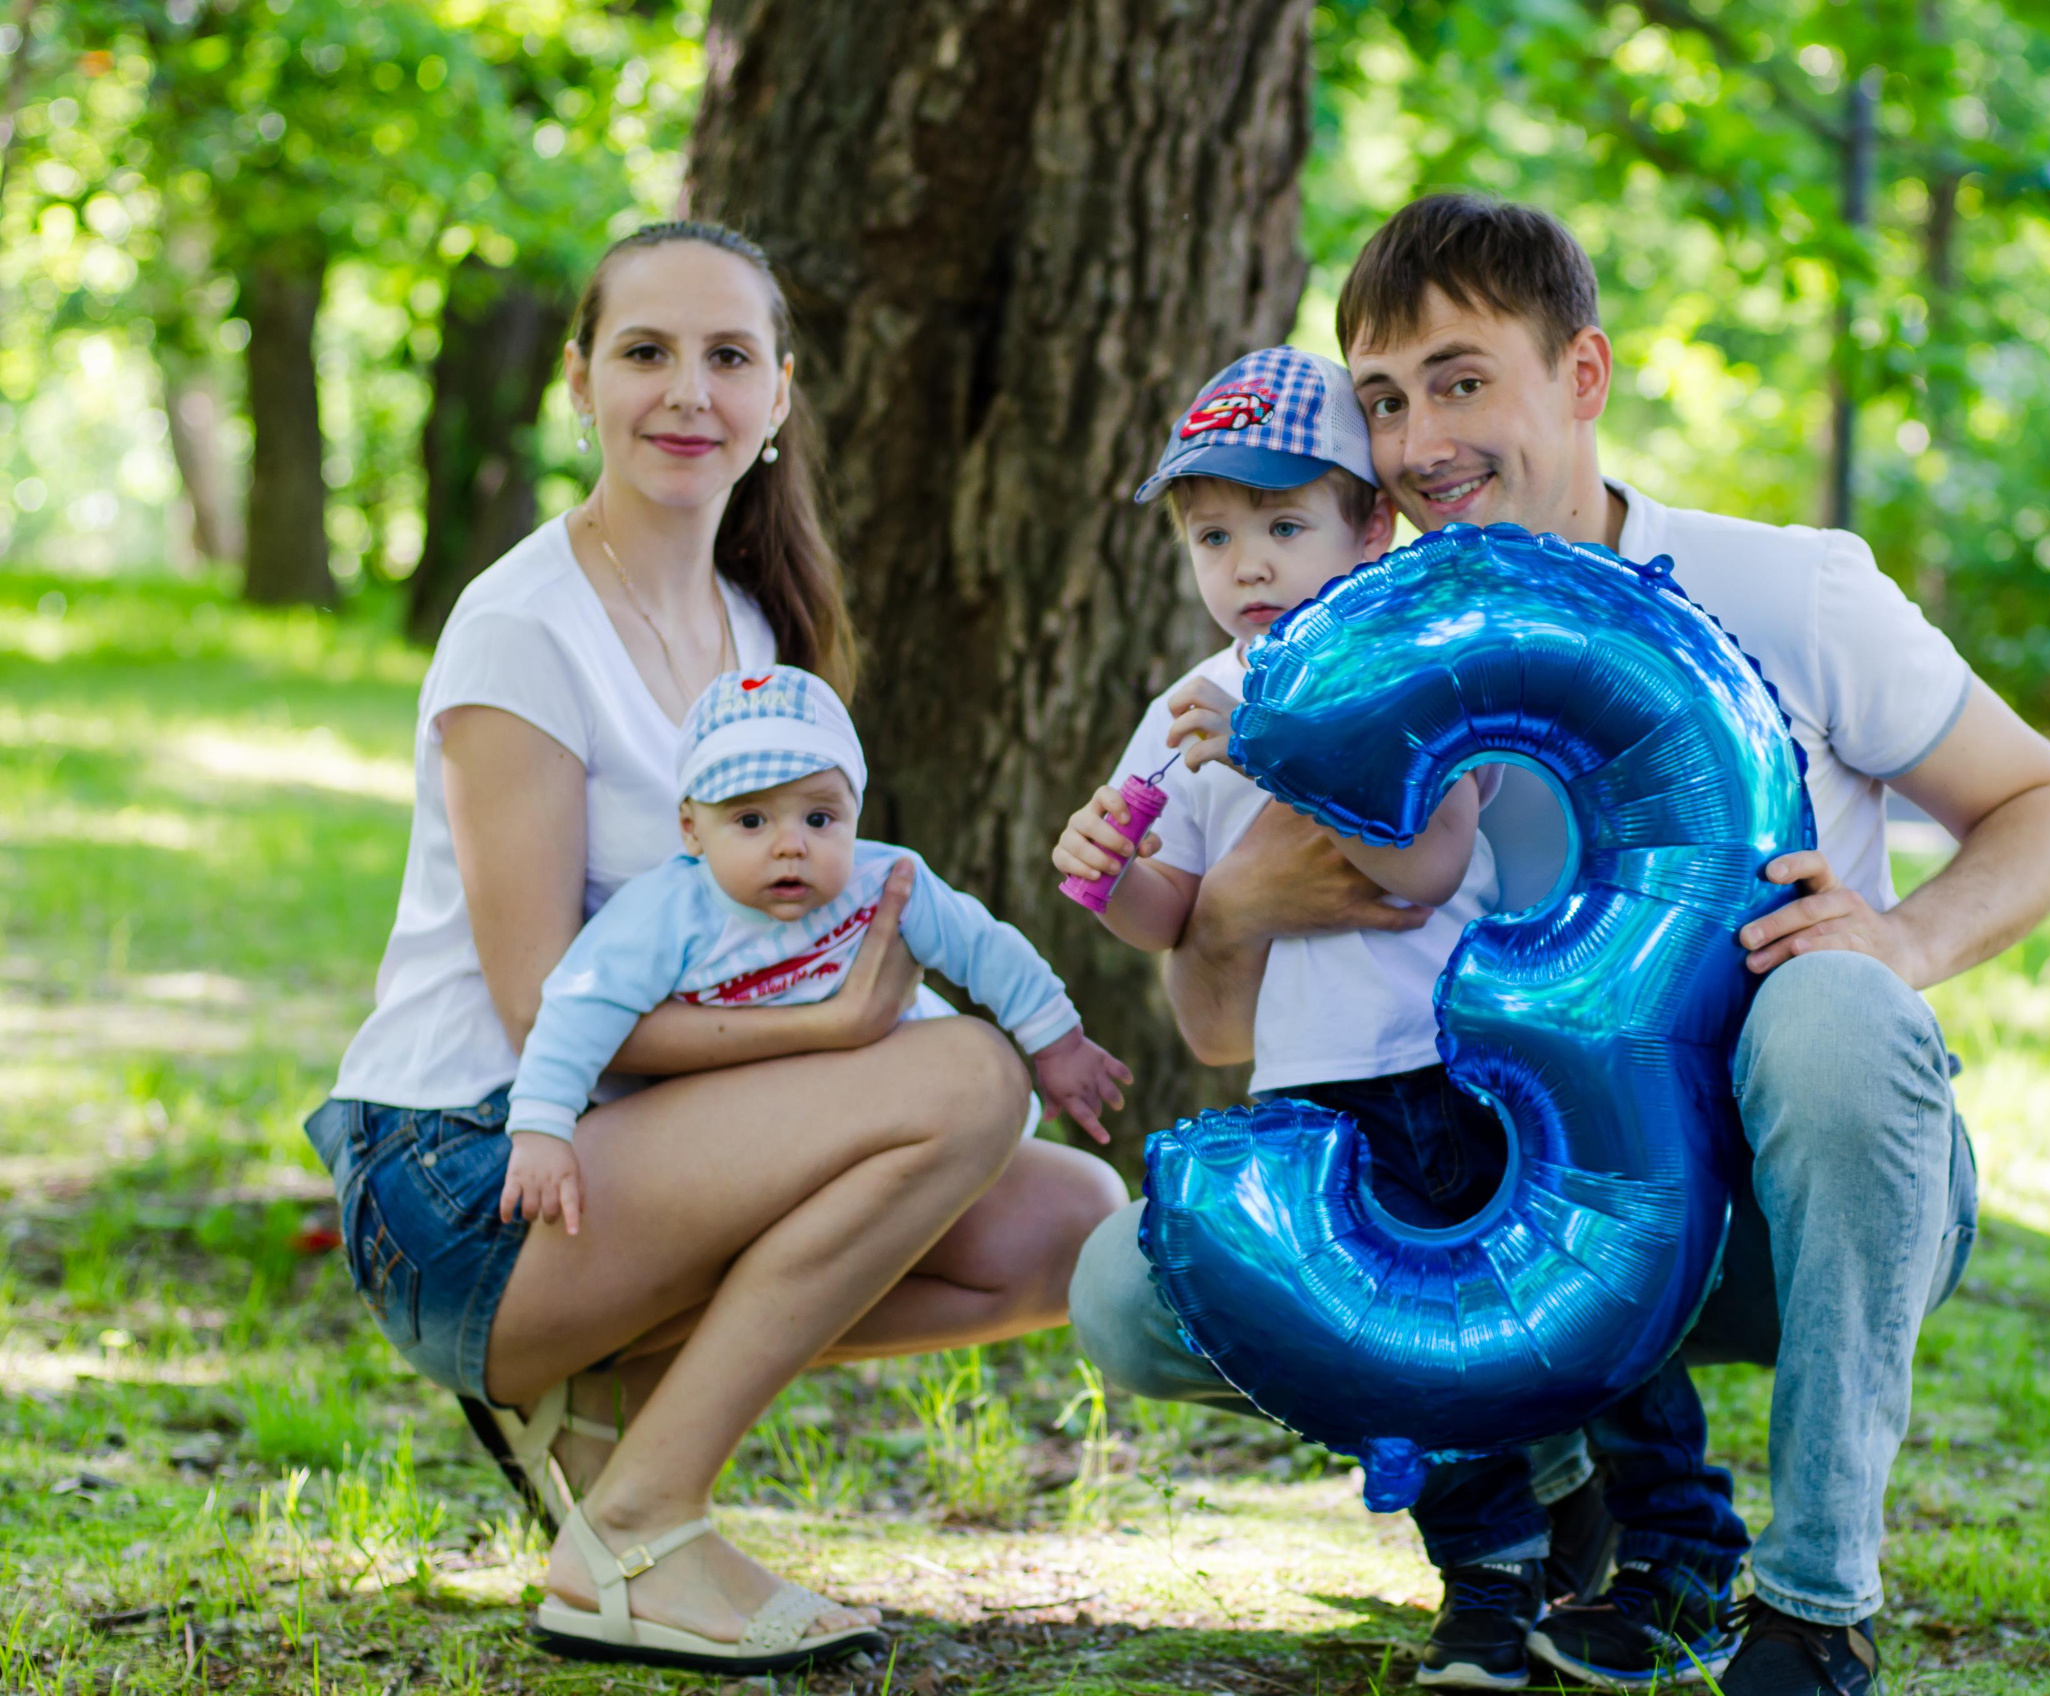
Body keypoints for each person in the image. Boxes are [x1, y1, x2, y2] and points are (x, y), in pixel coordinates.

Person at [1070, 194, 2050, 1695]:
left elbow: (2046, 805)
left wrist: (1901, 936)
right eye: (1384, 398)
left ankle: (1816, 1606)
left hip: (1772, 1212)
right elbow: (1226, 1035)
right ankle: (1557, 1481)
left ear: (1584, 377)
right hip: (1503, 1200)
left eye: (1462, 378)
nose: (1422, 438)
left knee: (1835, 1010)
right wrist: (1230, 904)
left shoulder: (1785, 588)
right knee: (1127, 1289)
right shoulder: (1344, 660)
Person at [305, 220, 1127, 1676]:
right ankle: (636, 1530)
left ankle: (607, 1391)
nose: (688, 391)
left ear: (779, 398)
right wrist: (835, 1043)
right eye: (645, 353)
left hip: (641, 1154)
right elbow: (536, 1005)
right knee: (960, 1084)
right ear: (580, 384)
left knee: (1071, 1224)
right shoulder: (523, 633)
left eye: (727, 357)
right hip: (469, 1170)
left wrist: (873, 1025)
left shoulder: (757, 630)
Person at [1061, 347, 1745, 1689]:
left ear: (1369, 525)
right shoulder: (1186, 706)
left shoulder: (1419, 666)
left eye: (1282, 524)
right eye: (1212, 535)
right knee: (1410, 1353)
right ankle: (1488, 1584)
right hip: (1319, 1093)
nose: (1246, 563)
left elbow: (1419, 867)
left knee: (1586, 1322)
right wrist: (1107, 872)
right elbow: (1181, 912)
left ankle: (1683, 1547)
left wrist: (1268, 746)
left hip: (1462, 1073)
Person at [498, 664, 1130, 1236]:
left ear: (856, 811)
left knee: (980, 1103)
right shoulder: (665, 916)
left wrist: (1058, 1043)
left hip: (885, 1089)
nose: (790, 845)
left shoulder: (884, 882)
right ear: (692, 829)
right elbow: (580, 1005)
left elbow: (985, 949)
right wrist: (542, 1128)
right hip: (731, 1114)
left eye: (819, 818)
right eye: (751, 821)